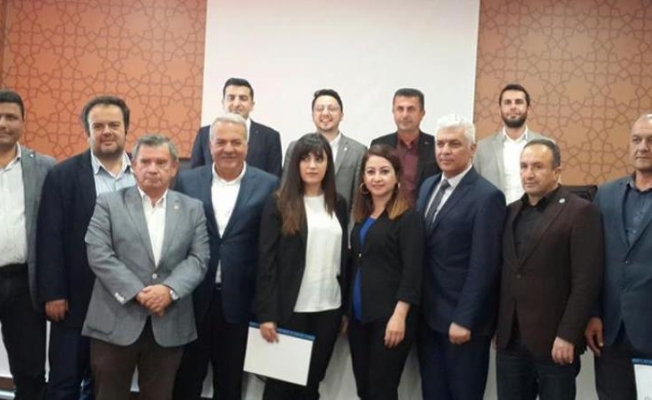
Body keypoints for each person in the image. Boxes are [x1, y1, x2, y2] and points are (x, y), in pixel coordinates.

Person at [82, 134, 209, 400]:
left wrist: (168, 290)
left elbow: (199, 258)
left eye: (161, 162)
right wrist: (138, 292)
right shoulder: (109, 203)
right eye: (146, 162)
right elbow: (99, 253)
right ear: (134, 166)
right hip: (115, 322)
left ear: (174, 168)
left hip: (168, 322)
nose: (153, 169)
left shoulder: (192, 208)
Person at [173, 113, 278, 400]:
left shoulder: (269, 185)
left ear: (247, 146)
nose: (228, 148)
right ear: (210, 145)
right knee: (185, 382)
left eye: (236, 142)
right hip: (193, 300)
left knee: (229, 385)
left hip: (240, 302)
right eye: (221, 142)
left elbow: (269, 249)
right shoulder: (186, 181)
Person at [37, 95, 136, 400]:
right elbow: (49, 237)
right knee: (64, 382)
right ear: (87, 132)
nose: (107, 131)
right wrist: (53, 292)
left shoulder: (144, 173)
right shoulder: (63, 175)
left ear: (126, 128)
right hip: (75, 301)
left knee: (106, 385)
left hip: (126, 304)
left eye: (114, 125)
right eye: (98, 126)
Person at [496, 140, 603, 400]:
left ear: (557, 171)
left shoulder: (581, 212)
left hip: (555, 342)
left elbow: (585, 281)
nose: (529, 174)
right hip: (510, 341)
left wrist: (568, 335)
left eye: (538, 166)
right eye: (523, 166)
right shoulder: (510, 212)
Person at [416, 114, 505, 400]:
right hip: (427, 318)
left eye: (454, 144)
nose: (444, 151)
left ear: (472, 148)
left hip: (462, 322)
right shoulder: (428, 186)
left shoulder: (487, 196)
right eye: (440, 143)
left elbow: (484, 266)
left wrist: (465, 319)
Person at [255, 133, 348, 399]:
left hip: (328, 308)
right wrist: (267, 314)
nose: (312, 165)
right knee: (280, 385)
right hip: (290, 310)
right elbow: (266, 261)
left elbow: (343, 258)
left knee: (311, 384)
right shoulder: (278, 203)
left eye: (319, 159)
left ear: (328, 164)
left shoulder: (338, 203)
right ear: (295, 163)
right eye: (305, 159)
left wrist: (345, 312)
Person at [347, 144, 424, 400]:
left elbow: (413, 272)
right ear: (363, 178)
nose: (377, 178)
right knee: (364, 390)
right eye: (370, 172)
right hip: (359, 318)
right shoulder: (361, 217)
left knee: (382, 391)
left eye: (384, 171)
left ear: (397, 176)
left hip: (390, 318)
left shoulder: (409, 218)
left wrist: (399, 316)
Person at [585, 113, 652, 400]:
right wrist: (593, 312)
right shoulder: (606, 194)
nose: (643, 147)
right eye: (637, 139)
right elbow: (593, 261)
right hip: (610, 330)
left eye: (651, 140)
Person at [0, 89, 55, 399]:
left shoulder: (44, 167)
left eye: (11, 117)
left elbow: (54, 230)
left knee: (30, 370)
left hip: (25, 282)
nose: (3, 123)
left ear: (23, 122)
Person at [284, 89, 367, 211]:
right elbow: (286, 189)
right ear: (312, 115)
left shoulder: (358, 151)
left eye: (332, 109)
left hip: (340, 219)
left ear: (342, 115)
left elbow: (358, 201)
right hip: (300, 217)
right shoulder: (295, 147)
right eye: (319, 109)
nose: (325, 113)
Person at [474, 83, 549, 203]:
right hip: (495, 213)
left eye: (518, 102)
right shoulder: (482, 148)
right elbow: (475, 189)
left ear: (528, 109)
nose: (513, 107)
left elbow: (554, 188)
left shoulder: (546, 146)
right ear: (499, 110)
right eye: (507, 102)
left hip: (535, 213)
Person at [191, 77, 282, 176]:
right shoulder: (204, 134)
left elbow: (274, 178)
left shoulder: (270, 137)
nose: (236, 104)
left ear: (252, 105)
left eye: (243, 98)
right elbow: (195, 175)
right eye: (231, 98)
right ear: (223, 103)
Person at [371, 88, 440, 207]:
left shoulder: (436, 146)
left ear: (422, 114)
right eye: (400, 109)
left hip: (423, 215)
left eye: (411, 109)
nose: (405, 115)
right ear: (393, 112)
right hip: (386, 213)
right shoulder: (379, 144)